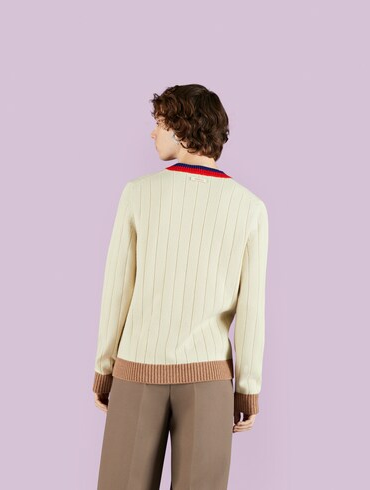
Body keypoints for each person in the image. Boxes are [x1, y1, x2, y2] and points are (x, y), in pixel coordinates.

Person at [92, 84, 269, 489]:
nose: (153, 133)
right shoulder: (250, 208)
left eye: (159, 122)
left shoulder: (138, 194)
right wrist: (247, 390)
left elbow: (117, 291)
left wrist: (104, 369)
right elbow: (252, 309)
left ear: (181, 127)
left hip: (136, 372)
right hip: (208, 382)